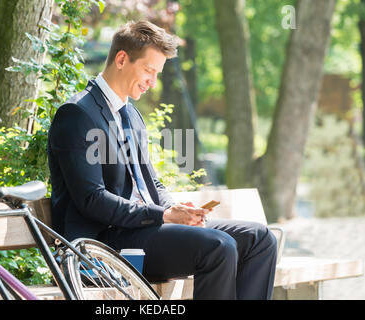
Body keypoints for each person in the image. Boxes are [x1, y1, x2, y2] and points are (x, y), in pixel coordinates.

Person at [47, 20, 277, 300]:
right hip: (105, 243)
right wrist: (164, 215)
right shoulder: (77, 114)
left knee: (260, 238)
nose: (152, 82)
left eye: (157, 73)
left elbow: (149, 182)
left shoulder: (131, 115)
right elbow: (92, 200)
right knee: (219, 246)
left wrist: (175, 208)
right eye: (148, 70)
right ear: (122, 59)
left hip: (144, 231)